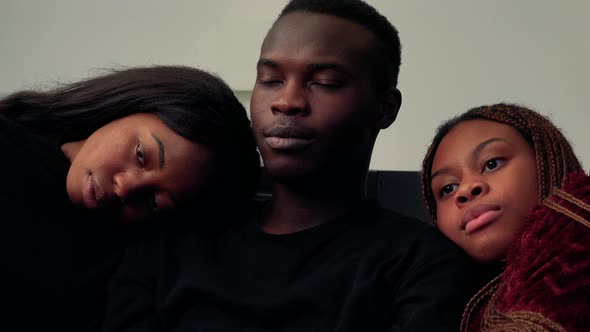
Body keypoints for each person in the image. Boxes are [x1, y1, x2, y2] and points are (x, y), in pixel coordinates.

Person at [102, 1, 481, 331]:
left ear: (385, 108)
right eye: (271, 79)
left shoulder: (421, 263)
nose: (286, 101)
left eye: (326, 82)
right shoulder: (174, 240)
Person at [1, 65, 260, 332]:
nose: (125, 188)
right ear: (130, 106)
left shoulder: (125, 273)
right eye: (141, 154)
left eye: (155, 202)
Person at [421, 103, 590, 331]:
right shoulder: (436, 298)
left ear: (546, 161)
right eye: (448, 188)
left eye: (492, 164)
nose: (466, 190)